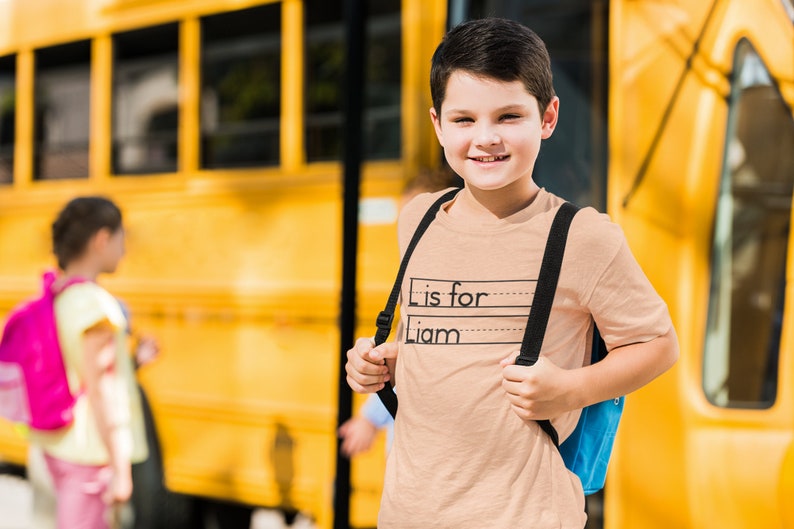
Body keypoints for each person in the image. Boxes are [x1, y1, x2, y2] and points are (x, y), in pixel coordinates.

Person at [344, 17, 679, 528]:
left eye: (508, 116)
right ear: (437, 125)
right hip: (407, 513)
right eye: (463, 120)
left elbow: (658, 345)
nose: (485, 138)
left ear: (548, 118)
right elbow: (432, 341)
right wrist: (378, 361)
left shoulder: (582, 235)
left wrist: (571, 390)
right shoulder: (418, 218)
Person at [29, 196, 149, 529]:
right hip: (89, 452)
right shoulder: (96, 306)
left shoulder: (60, 295)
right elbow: (102, 390)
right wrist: (122, 470)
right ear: (102, 239)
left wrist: (133, 361)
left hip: (58, 443)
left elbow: (75, 368)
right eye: (122, 239)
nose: (124, 251)